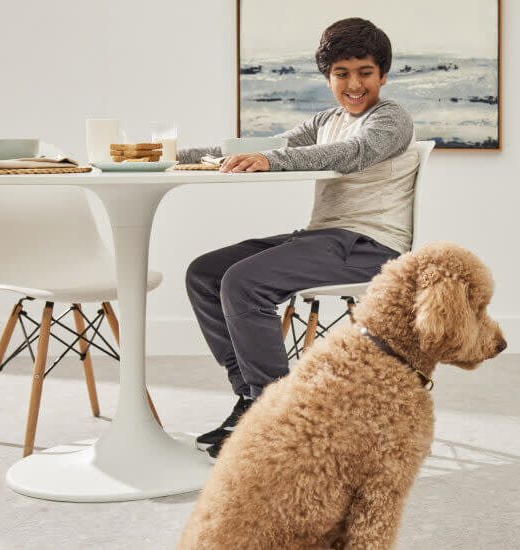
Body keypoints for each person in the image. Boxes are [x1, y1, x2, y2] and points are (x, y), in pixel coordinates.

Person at [178, 17, 420, 461]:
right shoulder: (326, 119)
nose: (354, 84)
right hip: (324, 239)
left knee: (243, 282)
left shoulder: (391, 119)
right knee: (205, 273)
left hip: (370, 245)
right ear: (328, 78)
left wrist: (272, 159)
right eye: (341, 74)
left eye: (365, 72)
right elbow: (262, 145)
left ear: (383, 75)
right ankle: (252, 401)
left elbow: (354, 153)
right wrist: (171, 155)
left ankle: (277, 415)